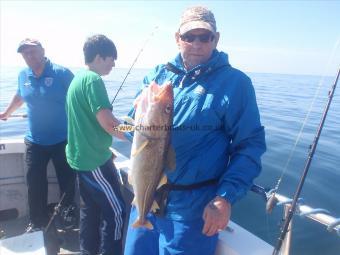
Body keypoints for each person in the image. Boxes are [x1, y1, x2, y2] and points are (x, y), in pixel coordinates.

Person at [124, 6, 266, 255]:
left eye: (205, 37)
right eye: (189, 37)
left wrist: (225, 197)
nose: (197, 43)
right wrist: (120, 124)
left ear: (216, 39)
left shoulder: (235, 84)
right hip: (145, 203)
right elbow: (129, 128)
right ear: (177, 38)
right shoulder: (158, 74)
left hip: (192, 214)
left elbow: (250, 146)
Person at [0, 38, 77, 232]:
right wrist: (6, 113)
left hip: (63, 139)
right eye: (25, 53)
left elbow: (79, 99)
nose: (29, 56)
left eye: (33, 51)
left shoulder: (62, 73)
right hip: (35, 141)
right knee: (34, 183)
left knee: (67, 180)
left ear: (43, 50)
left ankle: (68, 215)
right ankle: (36, 221)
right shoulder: (23, 75)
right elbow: (19, 95)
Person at [66, 34, 126, 255]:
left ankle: (88, 251)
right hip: (94, 161)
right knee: (117, 212)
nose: (114, 64)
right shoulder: (93, 80)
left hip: (81, 158)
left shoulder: (78, 79)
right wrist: (138, 133)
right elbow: (109, 123)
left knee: (90, 210)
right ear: (100, 57)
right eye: (112, 58)